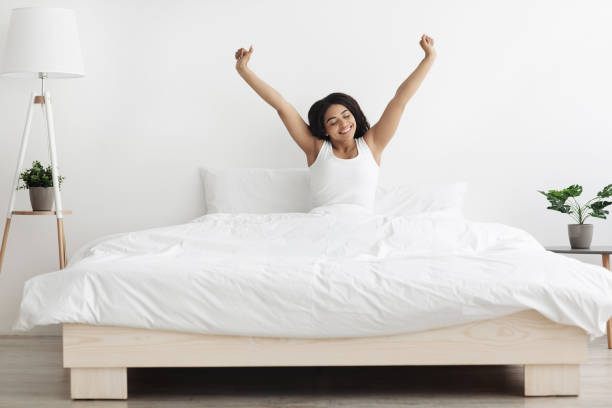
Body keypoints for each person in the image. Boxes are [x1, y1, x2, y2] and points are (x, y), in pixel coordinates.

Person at [235, 34, 436, 210]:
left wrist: (429, 58)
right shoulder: (315, 148)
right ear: (324, 130)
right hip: (321, 226)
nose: (343, 124)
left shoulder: (372, 145)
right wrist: (244, 70)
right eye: (333, 121)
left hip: (362, 226)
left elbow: (400, 101)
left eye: (346, 115)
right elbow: (281, 106)